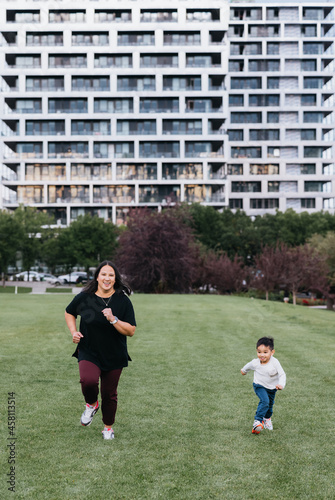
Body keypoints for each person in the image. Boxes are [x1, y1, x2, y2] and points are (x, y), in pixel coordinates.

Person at [65, 261, 136, 440]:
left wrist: (113, 319)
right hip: (89, 350)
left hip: (114, 354)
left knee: (109, 394)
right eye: (103, 274)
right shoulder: (84, 298)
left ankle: (108, 428)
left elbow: (131, 331)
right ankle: (91, 404)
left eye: (111, 275)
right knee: (88, 381)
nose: (107, 278)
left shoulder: (122, 301)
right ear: (97, 277)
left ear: (115, 279)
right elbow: (69, 312)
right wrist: (74, 332)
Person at [241, 336, 286, 434]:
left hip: (272, 388)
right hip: (259, 385)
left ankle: (267, 419)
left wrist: (281, 384)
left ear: (272, 352)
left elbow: (282, 374)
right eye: (259, 352)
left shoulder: (275, 362)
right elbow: (248, 366)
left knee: (269, 406)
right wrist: (244, 371)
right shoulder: (255, 363)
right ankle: (257, 421)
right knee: (264, 401)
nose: (262, 355)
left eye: (265, 352)